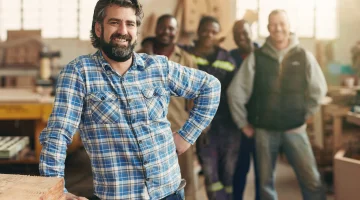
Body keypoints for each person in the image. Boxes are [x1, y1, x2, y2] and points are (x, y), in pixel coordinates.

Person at [38, 1, 221, 200]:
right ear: (99, 28)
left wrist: (187, 136)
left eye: (130, 24)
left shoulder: (157, 67)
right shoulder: (79, 73)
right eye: (115, 23)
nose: (123, 31)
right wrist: (56, 193)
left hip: (170, 192)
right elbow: (57, 135)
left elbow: (210, 86)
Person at [227, 9, 327, 200]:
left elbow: (319, 89)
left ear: (289, 27)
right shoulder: (257, 57)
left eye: (282, 23)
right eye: (273, 24)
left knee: (312, 180)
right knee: (265, 185)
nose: (278, 28)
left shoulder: (304, 56)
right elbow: (235, 92)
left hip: (295, 129)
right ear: (268, 28)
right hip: (265, 131)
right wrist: (242, 123)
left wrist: (306, 114)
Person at [138, 14, 198, 200]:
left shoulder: (187, 60)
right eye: (162, 27)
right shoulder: (140, 57)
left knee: (186, 179)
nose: (166, 32)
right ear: (156, 29)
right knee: (147, 182)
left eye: (171, 28)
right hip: (148, 133)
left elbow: (194, 102)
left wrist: (191, 131)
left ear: (176, 32)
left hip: (179, 132)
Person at [181, 16, 240, 200]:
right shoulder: (187, 55)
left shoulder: (227, 58)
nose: (209, 35)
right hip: (203, 128)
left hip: (228, 126)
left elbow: (237, 92)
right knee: (210, 174)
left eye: (214, 32)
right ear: (198, 31)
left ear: (218, 35)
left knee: (229, 175)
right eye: (205, 30)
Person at [229, 19, 260, 200]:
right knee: (239, 171)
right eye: (237, 33)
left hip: (260, 123)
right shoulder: (228, 57)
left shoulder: (263, 54)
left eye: (245, 32)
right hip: (236, 124)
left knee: (263, 173)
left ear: (252, 32)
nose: (241, 36)